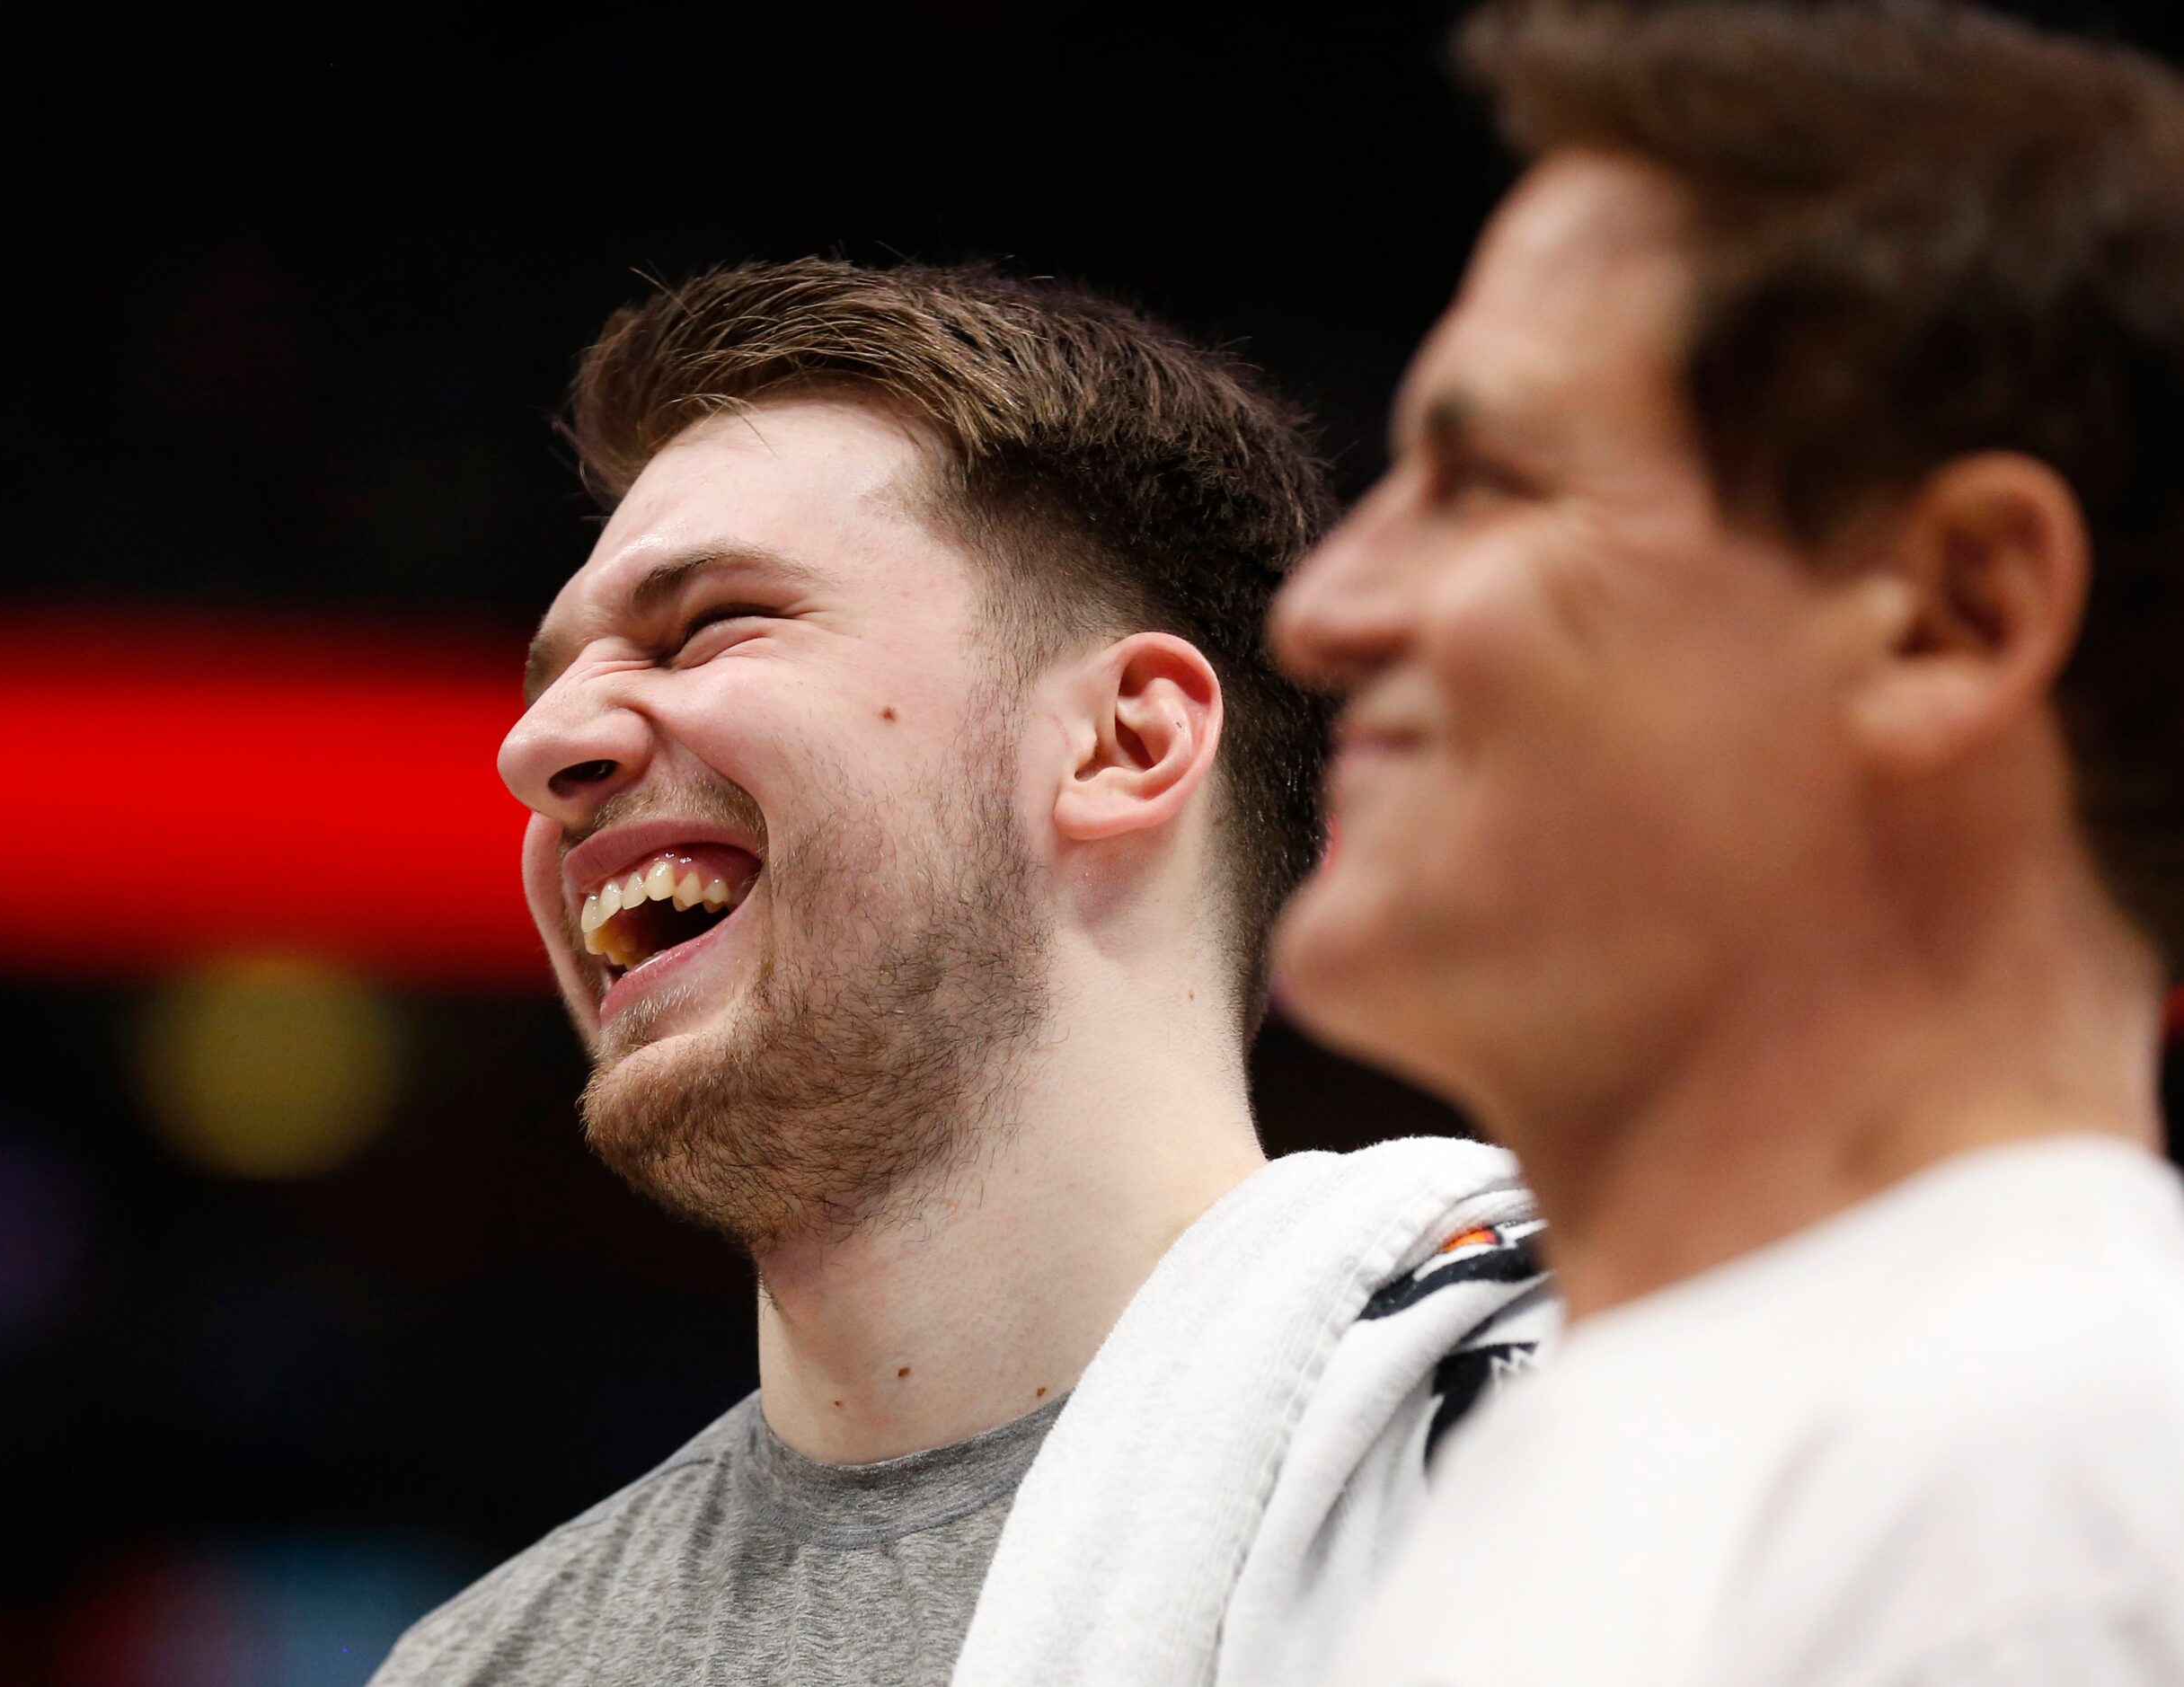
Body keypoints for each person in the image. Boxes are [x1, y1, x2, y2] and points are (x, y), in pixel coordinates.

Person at [371, 260, 1543, 1687]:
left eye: (714, 621)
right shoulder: (485, 1666)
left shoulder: (1604, 1483)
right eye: (547, 678)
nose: (539, 746)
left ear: (1122, 744)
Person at [1269, 1, 2184, 1683]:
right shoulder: (1604, 1450)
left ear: (1946, 618)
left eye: (1483, 482)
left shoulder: (2043, 1460)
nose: (1322, 608)